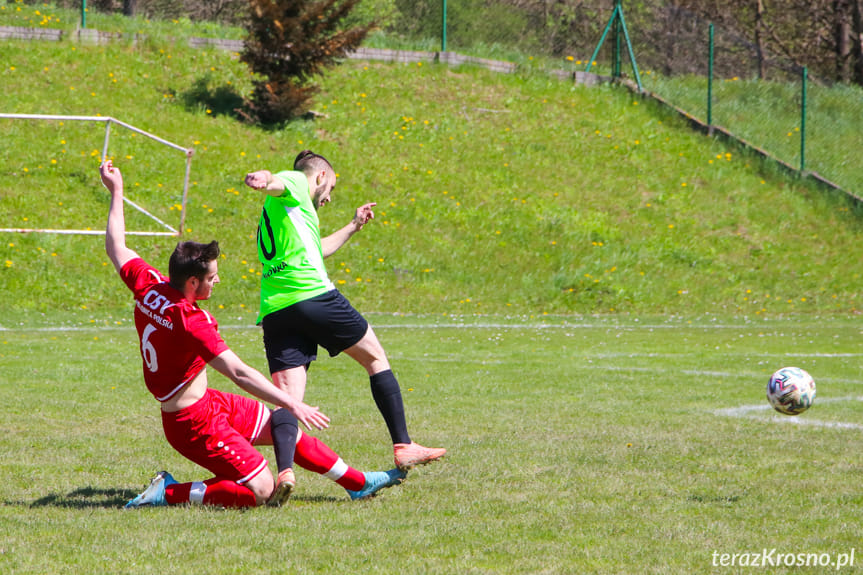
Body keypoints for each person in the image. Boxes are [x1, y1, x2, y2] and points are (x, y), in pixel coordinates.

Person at [100, 160, 405, 509]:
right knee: (261, 491)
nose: (217, 281)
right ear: (193, 282)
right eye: (212, 277)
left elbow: (116, 247)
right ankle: (167, 492)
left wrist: (117, 191)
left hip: (208, 402)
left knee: (278, 425)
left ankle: (359, 483)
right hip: (189, 423)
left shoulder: (151, 284)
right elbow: (240, 373)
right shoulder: (191, 321)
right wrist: (292, 401)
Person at [244, 150, 446, 472]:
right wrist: (262, 178)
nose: (328, 198)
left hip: (275, 309)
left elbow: (317, 250)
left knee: (288, 398)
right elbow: (277, 180)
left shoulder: (286, 213)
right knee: (375, 358)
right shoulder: (297, 182)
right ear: (321, 177)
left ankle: (284, 473)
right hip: (313, 296)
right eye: (331, 189)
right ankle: (404, 445)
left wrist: (353, 226)